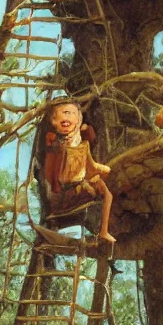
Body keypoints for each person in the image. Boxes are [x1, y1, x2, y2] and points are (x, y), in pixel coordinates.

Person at [42, 99, 115, 243]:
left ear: (78, 119)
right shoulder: (58, 147)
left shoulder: (83, 145)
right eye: (60, 115)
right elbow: (60, 178)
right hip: (66, 196)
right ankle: (103, 232)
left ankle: (104, 230)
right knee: (102, 188)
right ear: (54, 121)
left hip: (78, 187)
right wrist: (87, 182)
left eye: (70, 114)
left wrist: (104, 170)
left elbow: (91, 166)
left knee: (106, 187)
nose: (65, 119)